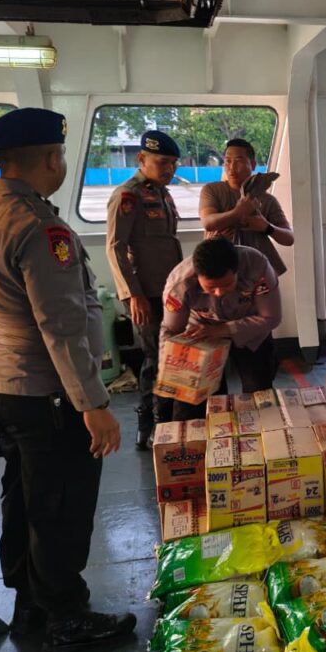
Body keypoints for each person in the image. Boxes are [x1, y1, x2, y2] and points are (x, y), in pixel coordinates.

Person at [0, 107, 136, 652]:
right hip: (45, 391)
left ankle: (30, 603)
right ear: (52, 160)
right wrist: (93, 404)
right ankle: (66, 615)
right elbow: (60, 326)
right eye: (60, 155)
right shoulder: (42, 228)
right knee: (60, 502)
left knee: (25, 495)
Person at [106, 130, 184, 450]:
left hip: (168, 290)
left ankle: (166, 417)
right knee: (154, 357)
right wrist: (133, 295)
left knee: (171, 354)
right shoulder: (128, 196)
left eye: (173, 163)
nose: (169, 169)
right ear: (141, 159)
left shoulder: (163, 194)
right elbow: (115, 247)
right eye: (162, 162)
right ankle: (148, 424)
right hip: (145, 294)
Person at [160, 237, 282, 420]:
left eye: (226, 285)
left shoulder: (257, 267)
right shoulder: (179, 284)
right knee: (196, 400)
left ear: (237, 271)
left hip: (251, 331)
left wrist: (225, 329)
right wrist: (171, 368)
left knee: (258, 392)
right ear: (198, 277)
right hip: (202, 332)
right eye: (210, 288)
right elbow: (171, 330)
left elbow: (271, 318)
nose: (218, 292)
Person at [199, 138, 294, 275]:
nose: (232, 167)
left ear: (253, 164)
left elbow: (289, 239)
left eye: (239, 161)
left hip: (255, 269)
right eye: (228, 161)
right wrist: (238, 212)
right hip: (219, 268)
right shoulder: (212, 190)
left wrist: (266, 227)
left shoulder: (267, 200)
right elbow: (208, 223)